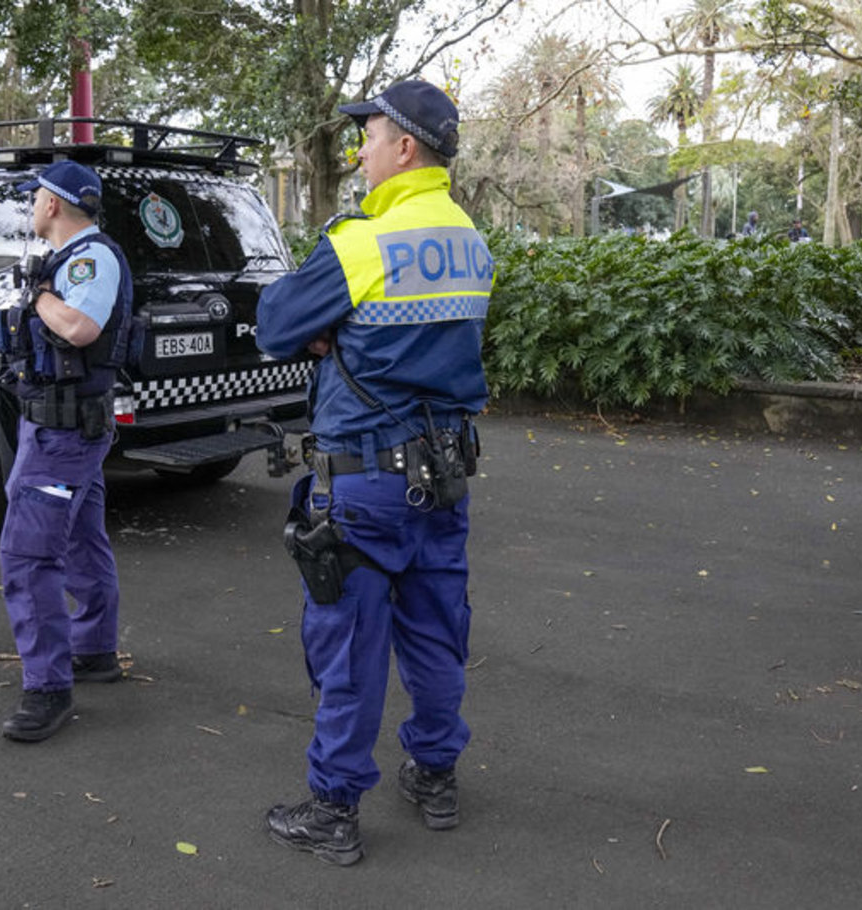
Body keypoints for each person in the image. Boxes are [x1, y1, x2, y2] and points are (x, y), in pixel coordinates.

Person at [256, 80, 492, 865]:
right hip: (444, 478)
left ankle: (333, 809)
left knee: (351, 643)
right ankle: (434, 772)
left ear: (406, 148)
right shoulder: (471, 240)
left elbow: (276, 324)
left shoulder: (363, 243)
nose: (359, 149)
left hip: (362, 482)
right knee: (435, 632)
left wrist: (330, 333)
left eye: (371, 135)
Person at [0, 160, 132, 742]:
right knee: (80, 538)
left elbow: (79, 328)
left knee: (27, 557)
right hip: (62, 428)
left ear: (52, 204)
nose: (31, 208)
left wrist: (41, 296)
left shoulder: (90, 258)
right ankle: (94, 649)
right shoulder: (68, 260)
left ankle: (48, 688)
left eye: (35, 199)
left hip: (65, 433)